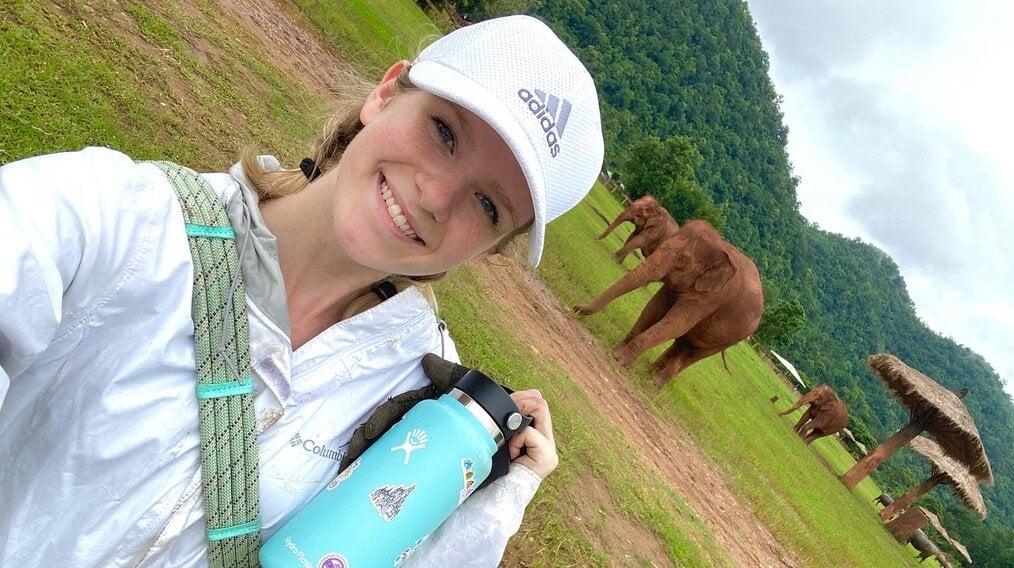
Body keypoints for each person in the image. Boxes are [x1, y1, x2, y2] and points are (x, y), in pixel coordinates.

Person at [0, 14, 603, 568]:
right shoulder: (127, 222)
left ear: (491, 248)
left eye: (488, 204)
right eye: (444, 132)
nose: (436, 197)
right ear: (386, 93)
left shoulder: (422, 407)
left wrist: (494, 493)